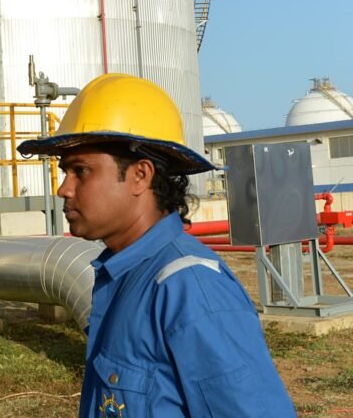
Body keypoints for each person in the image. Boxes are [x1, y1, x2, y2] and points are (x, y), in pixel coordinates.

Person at [18, 73, 295, 418]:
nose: (64, 188)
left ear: (140, 175)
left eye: (81, 171)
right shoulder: (123, 274)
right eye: (65, 172)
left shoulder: (190, 289)